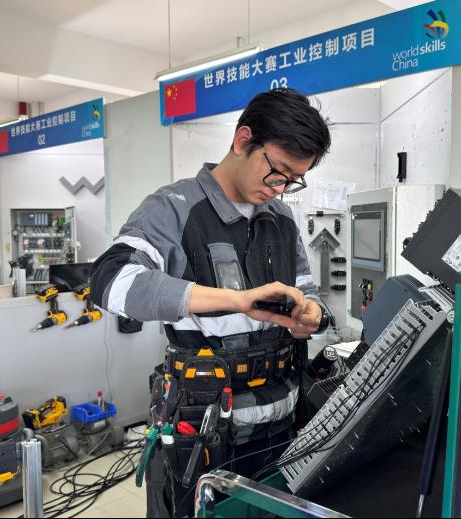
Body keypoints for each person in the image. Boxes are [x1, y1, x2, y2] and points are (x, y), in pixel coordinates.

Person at [90, 87, 331, 517]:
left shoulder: (282, 219)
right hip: (207, 436)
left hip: (283, 430)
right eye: (277, 173)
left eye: (293, 180)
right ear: (243, 141)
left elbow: (307, 288)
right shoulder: (174, 209)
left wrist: (311, 314)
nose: (280, 189)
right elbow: (111, 281)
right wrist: (236, 301)